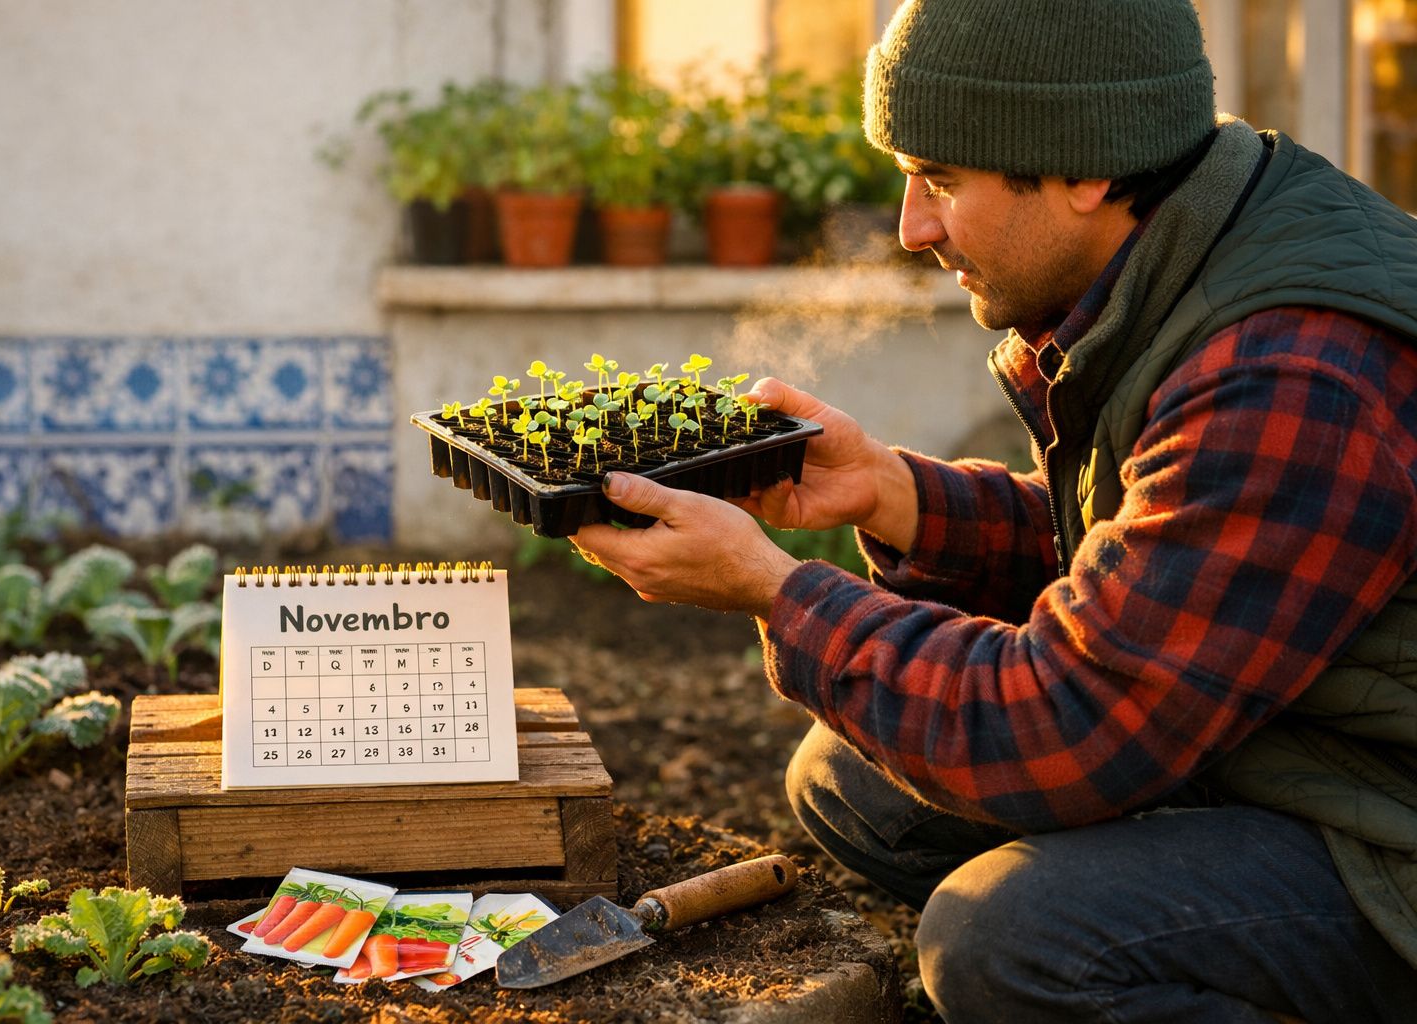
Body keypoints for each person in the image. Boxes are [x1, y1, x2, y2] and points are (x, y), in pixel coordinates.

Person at [572, 0, 1417, 1020]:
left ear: (1086, 170)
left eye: (941, 179)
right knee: (856, 779)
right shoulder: (1196, 252)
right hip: (1295, 746)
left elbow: (1069, 722)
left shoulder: (1290, 368)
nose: (911, 228)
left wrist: (777, 590)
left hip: (1387, 832)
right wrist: (898, 499)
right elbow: (1152, 563)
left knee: (1010, 938)